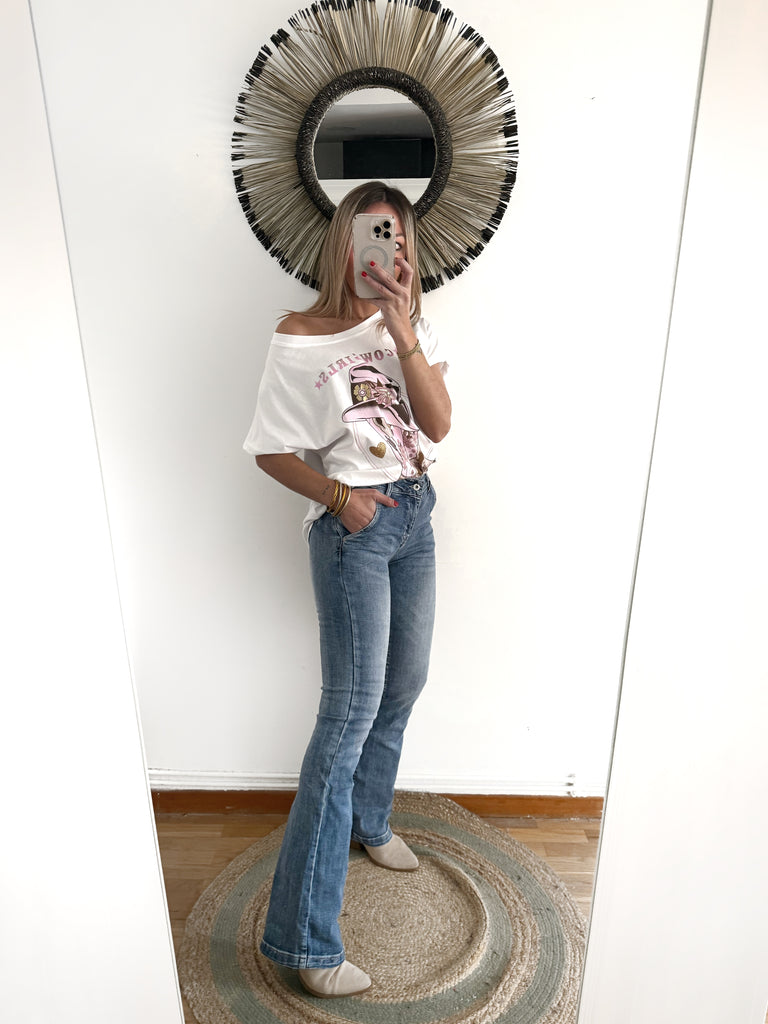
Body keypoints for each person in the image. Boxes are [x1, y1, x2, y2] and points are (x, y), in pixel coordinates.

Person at [243, 181, 451, 998]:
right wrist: (340, 498)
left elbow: (438, 425)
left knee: (405, 682)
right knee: (347, 717)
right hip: (353, 529)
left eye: (397, 236)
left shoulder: (414, 325)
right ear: (345, 241)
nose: (386, 249)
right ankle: (306, 942)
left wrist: (401, 329)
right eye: (373, 233)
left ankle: (369, 820)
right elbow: (270, 450)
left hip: (416, 513)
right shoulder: (299, 336)